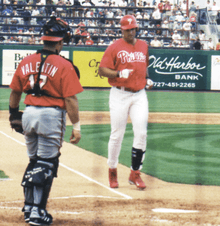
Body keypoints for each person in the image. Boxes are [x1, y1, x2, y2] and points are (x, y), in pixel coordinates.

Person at [9, 16, 83, 225]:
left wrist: (13, 114)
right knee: (47, 163)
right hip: (51, 115)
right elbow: (71, 99)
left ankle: (29, 207)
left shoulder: (26, 60)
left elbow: (14, 91)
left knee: (34, 162)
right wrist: (76, 126)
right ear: (59, 42)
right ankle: (37, 213)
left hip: (29, 112)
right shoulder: (64, 64)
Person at [98, 15, 153, 190]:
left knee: (142, 133)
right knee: (117, 134)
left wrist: (148, 80)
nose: (131, 31)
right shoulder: (114, 47)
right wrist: (117, 74)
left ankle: (135, 173)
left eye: (133, 28)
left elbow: (145, 68)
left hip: (139, 95)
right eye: (128, 29)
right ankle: (112, 170)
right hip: (119, 94)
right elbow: (102, 70)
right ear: (122, 30)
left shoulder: (143, 45)